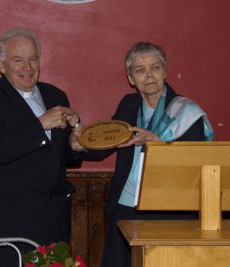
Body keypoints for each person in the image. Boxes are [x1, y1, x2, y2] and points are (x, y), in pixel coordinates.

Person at [81, 42, 214, 267]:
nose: (149, 75)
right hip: (125, 209)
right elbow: (110, 140)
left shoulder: (187, 112)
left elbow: (197, 163)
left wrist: (159, 143)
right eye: (140, 70)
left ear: (165, 72)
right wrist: (80, 144)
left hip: (168, 212)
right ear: (131, 78)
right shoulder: (128, 104)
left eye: (155, 67)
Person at [0, 28, 82, 266]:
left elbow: (61, 156)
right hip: (9, 224)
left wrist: (75, 145)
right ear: (1, 65)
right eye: (18, 60)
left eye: (32, 59)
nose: (27, 67)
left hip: (54, 223)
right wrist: (41, 124)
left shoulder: (56, 95)